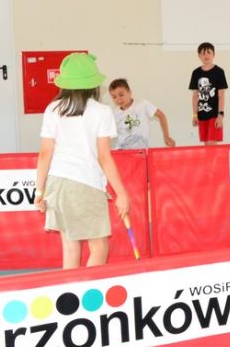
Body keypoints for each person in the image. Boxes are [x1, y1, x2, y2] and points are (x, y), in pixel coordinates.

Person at [35, 53, 130, 269]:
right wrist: (122, 193)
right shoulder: (102, 111)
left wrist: (39, 191)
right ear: (93, 82)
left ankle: (71, 290)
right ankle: (91, 289)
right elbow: (104, 156)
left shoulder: (53, 109)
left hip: (57, 183)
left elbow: (45, 153)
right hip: (86, 183)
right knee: (99, 247)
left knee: (70, 247)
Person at [108, 78, 175, 149]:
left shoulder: (142, 104)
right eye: (114, 97)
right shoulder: (114, 114)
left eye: (121, 95)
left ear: (129, 92)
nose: (118, 99)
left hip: (143, 150)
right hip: (123, 151)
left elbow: (161, 115)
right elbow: (108, 135)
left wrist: (166, 136)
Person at [189, 42, 229, 145]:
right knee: (206, 146)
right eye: (203, 53)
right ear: (199, 56)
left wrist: (220, 115)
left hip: (214, 115)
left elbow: (221, 95)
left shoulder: (219, 72)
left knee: (211, 145)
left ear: (213, 54)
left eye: (208, 52)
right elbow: (195, 96)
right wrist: (195, 115)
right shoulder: (196, 73)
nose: (206, 55)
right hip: (202, 115)